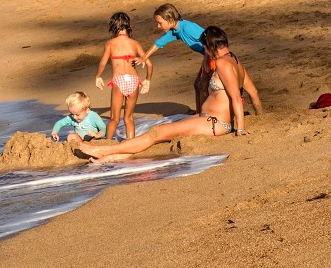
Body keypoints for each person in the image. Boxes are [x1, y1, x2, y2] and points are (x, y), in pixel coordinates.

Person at [82, 26, 262, 158]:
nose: (205, 52)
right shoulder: (235, 61)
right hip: (208, 119)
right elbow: (253, 92)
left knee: (156, 133)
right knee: (161, 134)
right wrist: (261, 116)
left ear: (211, 46)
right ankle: (114, 156)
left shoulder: (222, 63)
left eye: (205, 48)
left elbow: (236, 97)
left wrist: (240, 128)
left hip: (214, 123)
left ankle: (101, 150)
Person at [95, 11, 152, 140]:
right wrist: (148, 80)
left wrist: (98, 76)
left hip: (119, 80)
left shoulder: (110, 43)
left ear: (113, 27)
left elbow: (103, 63)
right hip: (133, 80)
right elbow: (149, 63)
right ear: (128, 26)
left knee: (114, 119)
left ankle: (107, 143)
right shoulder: (135, 43)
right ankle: (130, 144)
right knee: (129, 118)